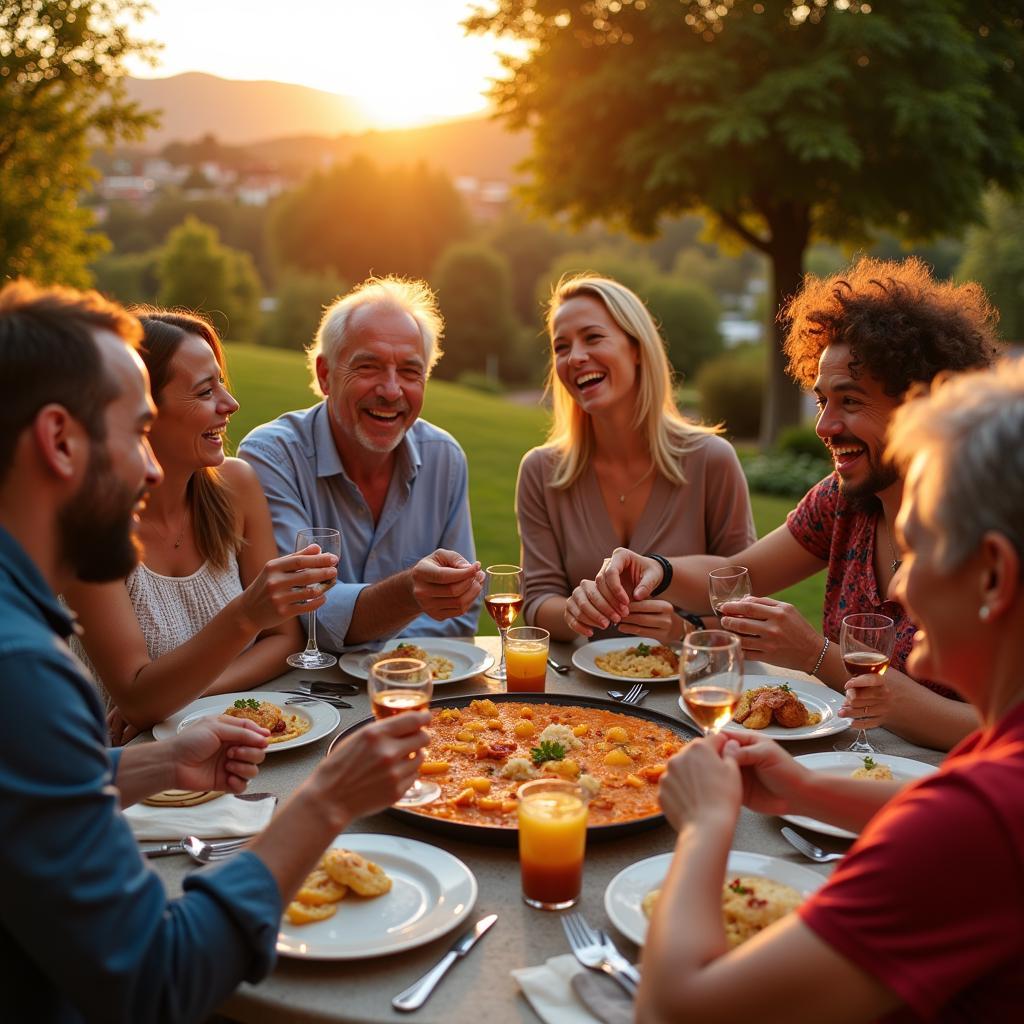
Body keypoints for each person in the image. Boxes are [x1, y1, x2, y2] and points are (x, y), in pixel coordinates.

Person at [0, 280, 430, 1022]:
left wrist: (159, 762)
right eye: (135, 431)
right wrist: (324, 803)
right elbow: (156, 980)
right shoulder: (22, 670)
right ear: (60, 440)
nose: (153, 471)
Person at [637, 358, 1024, 1024]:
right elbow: (938, 808)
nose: (897, 587)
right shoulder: (997, 773)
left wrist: (704, 829)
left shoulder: (979, 822)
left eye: (921, 548)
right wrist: (801, 789)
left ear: (993, 575)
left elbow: (677, 1010)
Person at [568, 257, 999, 749]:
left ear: (921, 405)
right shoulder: (844, 501)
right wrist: (656, 569)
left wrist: (814, 654)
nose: (824, 427)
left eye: (851, 402)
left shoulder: (992, 529)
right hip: (853, 767)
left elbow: (1002, 730)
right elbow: (736, 574)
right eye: (822, 402)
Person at [64, 310, 337, 739]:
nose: (230, 404)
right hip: (119, 771)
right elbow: (135, 697)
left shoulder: (236, 485)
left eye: (221, 384)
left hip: (232, 745)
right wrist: (246, 615)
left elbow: (284, 641)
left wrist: (182, 695)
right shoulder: (89, 526)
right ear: (141, 408)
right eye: (205, 391)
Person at [238, 276, 483, 649]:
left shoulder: (444, 458)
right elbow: (300, 608)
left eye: (409, 371)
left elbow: (460, 613)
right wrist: (409, 594)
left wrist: (382, 655)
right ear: (325, 375)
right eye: (368, 366)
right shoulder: (272, 457)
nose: (390, 390)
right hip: (303, 700)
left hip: (415, 690)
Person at [516, 274, 755, 644]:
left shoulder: (712, 461)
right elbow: (535, 601)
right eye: (561, 346)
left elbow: (746, 601)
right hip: (579, 692)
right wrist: (572, 611)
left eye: (593, 338)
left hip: (689, 690)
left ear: (637, 349)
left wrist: (684, 628)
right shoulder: (539, 471)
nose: (576, 357)